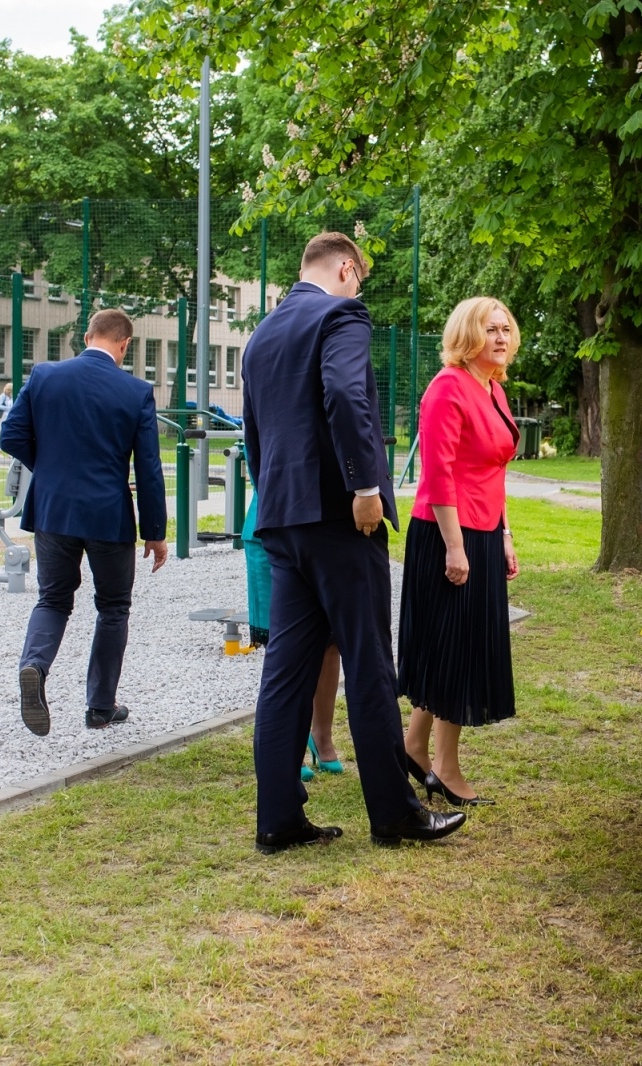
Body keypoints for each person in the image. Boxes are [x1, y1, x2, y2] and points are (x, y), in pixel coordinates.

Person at [242, 231, 465, 853]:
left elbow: (256, 432)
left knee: (285, 671)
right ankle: (394, 813)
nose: (359, 287)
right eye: (359, 277)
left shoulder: (261, 334)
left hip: (282, 517)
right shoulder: (342, 312)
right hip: (344, 517)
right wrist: (364, 485)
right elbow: (345, 396)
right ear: (346, 268)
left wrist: (277, 501)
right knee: (368, 661)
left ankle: (278, 818)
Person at [1, 308, 168, 737]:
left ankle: (34, 665)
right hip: (108, 515)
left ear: (86, 335)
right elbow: (148, 468)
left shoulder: (44, 376)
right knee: (113, 607)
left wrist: (52, 470)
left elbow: (11, 435)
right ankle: (100, 706)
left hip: (53, 511)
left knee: (53, 598)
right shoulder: (135, 392)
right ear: (125, 344)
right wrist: (155, 533)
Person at [399, 297, 522, 806]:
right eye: (489, 329)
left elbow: (495, 470)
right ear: (467, 335)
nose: (500, 337)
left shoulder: (493, 388)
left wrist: (505, 535)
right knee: (452, 651)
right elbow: (439, 473)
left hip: (483, 530)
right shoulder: (448, 388)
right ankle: (444, 766)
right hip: (448, 533)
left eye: (506, 328)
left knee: (458, 647)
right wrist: (456, 546)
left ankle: (412, 745)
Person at [241, 490, 346, 783]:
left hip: (323, 531)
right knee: (285, 646)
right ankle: (289, 746)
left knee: (330, 642)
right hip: (272, 529)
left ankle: (321, 736)